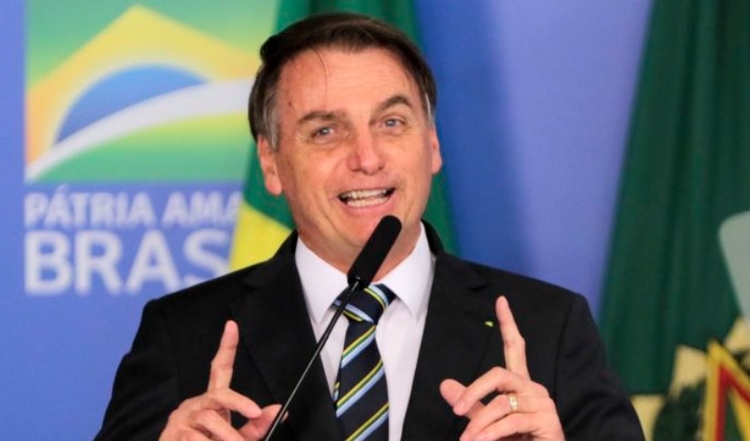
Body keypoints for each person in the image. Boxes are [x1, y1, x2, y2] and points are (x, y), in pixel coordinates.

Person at [95, 12, 644, 441]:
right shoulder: (184, 337)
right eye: (326, 131)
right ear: (271, 162)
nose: (367, 158)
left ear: (432, 144)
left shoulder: (548, 329)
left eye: (391, 122)